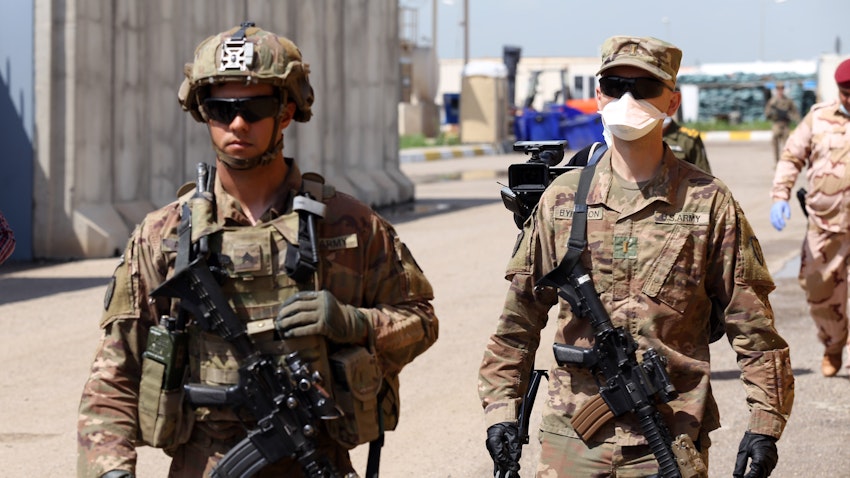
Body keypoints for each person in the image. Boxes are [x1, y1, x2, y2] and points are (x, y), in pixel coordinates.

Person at [77, 22, 439, 478]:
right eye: (220, 108)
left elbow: (421, 321)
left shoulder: (350, 226)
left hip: (316, 460)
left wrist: (353, 323)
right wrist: (110, 468)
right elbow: (115, 371)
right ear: (202, 113)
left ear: (286, 113)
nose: (237, 123)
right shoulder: (165, 234)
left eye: (255, 107)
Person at [479, 36, 794, 477]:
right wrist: (501, 414)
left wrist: (764, 425)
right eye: (614, 84)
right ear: (598, 95)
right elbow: (517, 324)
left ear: (672, 101)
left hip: (670, 435)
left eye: (643, 87)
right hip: (573, 439)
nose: (627, 98)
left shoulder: (708, 203)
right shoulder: (562, 201)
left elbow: (753, 328)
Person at [769, 58, 850, 378]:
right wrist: (780, 196)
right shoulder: (818, 118)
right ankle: (833, 343)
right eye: (846, 92)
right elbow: (791, 156)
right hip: (825, 223)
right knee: (818, 289)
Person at [764, 83, 800, 163]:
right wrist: (772, 114)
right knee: (775, 143)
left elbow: (794, 112)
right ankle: (777, 162)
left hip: (785, 125)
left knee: (787, 145)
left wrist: (798, 122)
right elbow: (767, 113)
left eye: (782, 88)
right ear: (776, 89)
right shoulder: (773, 101)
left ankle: (785, 162)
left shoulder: (788, 100)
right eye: (778, 88)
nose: (780, 90)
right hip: (777, 124)